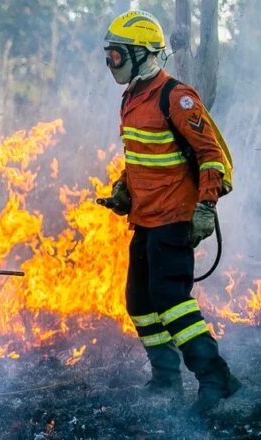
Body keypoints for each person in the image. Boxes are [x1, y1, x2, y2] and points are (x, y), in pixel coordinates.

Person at [98, 10, 241, 414]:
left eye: (116, 55)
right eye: (108, 56)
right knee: (139, 302)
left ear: (143, 55)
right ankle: (165, 380)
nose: (112, 64)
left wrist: (205, 208)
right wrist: (124, 190)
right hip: (144, 220)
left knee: (171, 301)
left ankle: (216, 378)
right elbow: (142, 156)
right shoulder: (131, 99)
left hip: (175, 219)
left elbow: (211, 157)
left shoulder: (176, 97)